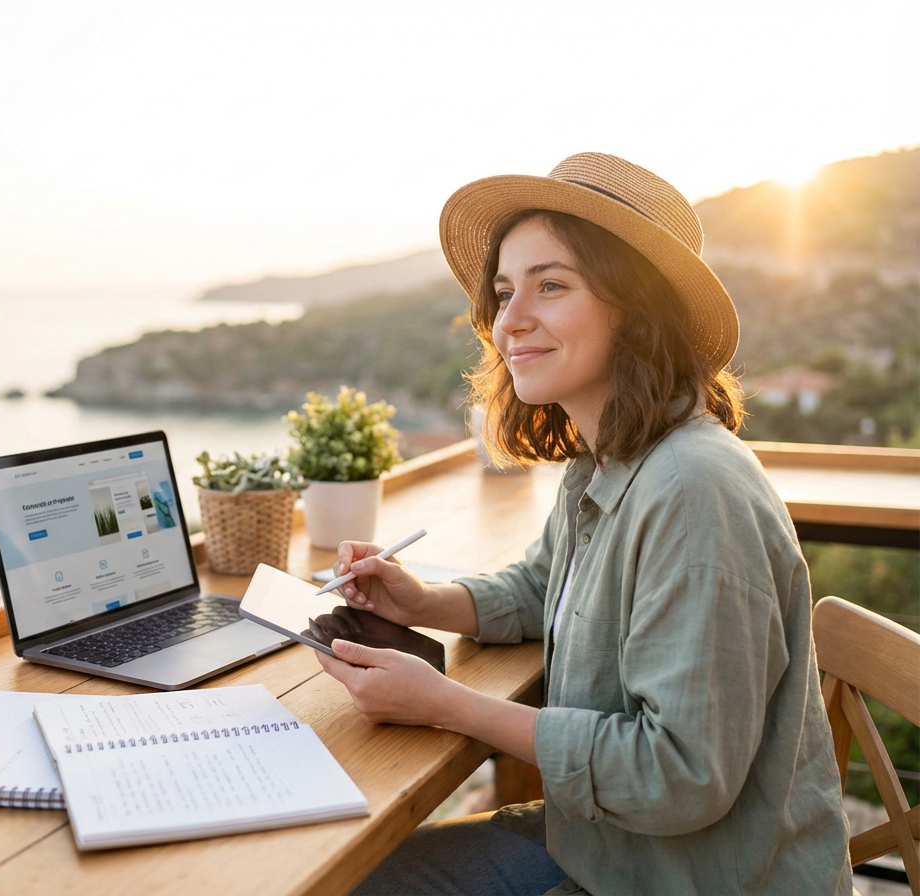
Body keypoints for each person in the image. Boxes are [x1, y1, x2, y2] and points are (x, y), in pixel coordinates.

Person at [315, 153, 852, 895]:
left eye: (552, 285)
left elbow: (680, 776)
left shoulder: (695, 492)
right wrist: (425, 603)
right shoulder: (608, 457)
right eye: (504, 292)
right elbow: (549, 584)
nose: (510, 321)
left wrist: (447, 705)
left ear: (637, 308)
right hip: (608, 848)